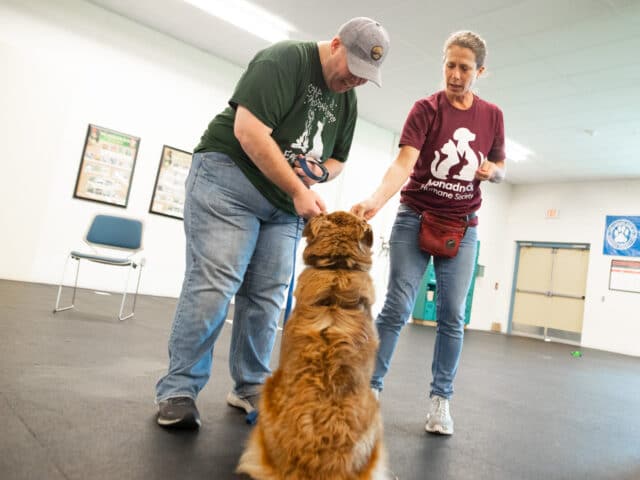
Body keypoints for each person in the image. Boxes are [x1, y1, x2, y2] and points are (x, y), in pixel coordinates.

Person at [155, 17, 391, 429]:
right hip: (230, 181)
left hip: (282, 205)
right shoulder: (286, 60)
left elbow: (337, 161)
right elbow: (249, 132)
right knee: (215, 284)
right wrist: (299, 191)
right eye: (352, 70)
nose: (354, 81)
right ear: (335, 44)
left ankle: (250, 386)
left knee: (268, 297)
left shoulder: (347, 101)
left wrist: (318, 174)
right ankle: (179, 390)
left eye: (364, 78)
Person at [351, 30, 505, 436]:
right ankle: (370, 390)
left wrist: (494, 171)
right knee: (398, 307)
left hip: (463, 227)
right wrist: (376, 200)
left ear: (480, 72)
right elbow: (404, 163)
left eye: (465, 68)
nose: (455, 75)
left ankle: (440, 402)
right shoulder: (426, 108)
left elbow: (500, 167)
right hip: (415, 216)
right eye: (450, 65)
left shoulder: (492, 116)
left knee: (452, 315)